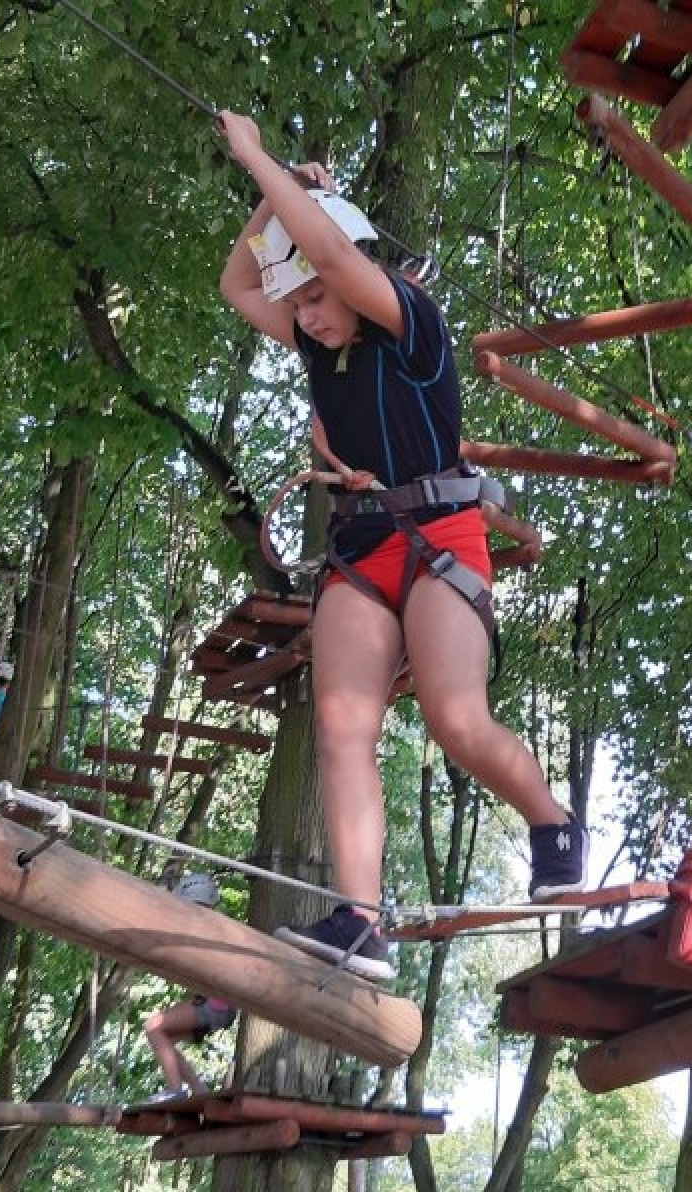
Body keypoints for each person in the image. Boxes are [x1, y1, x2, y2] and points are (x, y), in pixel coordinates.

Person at [215, 110, 586, 981]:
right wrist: (278, 205)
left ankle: (551, 817)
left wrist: (256, 158)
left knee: (458, 721)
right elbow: (240, 286)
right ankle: (361, 919)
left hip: (442, 535)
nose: (307, 315)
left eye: (315, 297)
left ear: (355, 281)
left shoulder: (411, 325)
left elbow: (340, 259)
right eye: (299, 301)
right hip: (364, 547)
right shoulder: (320, 337)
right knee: (343, 726)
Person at [142, 874, 236, 1103]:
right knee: (166, 1037)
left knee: (154, 1026)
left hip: (214, 1004)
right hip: (220, 1006)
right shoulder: (213, 925)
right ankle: (199, 1091)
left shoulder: (203, 925)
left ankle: (175, 1090)